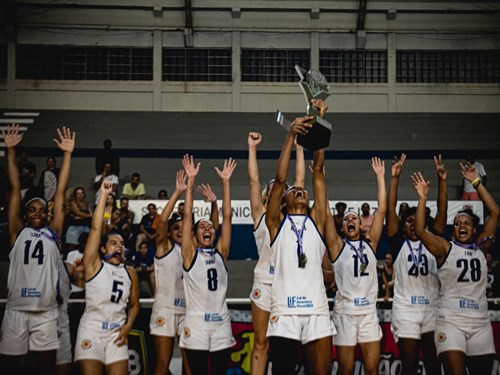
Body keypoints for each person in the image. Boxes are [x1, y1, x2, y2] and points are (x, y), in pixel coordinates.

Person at [0, 124, 75, 375]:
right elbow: (13, 189)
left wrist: (67, 155)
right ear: (24, 213)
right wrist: (11, 151)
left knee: (46, 370)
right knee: (8, 368)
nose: (37, 213)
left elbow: (62, 192)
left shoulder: (54, 233)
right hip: (16, 310)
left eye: (42, 210)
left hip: (46, 312)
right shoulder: (16, 232)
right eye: (32, 209)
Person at [412, 161, 499, 375]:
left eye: (467, 223)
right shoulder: (445, 248)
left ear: (474, 229)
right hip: (451, 320)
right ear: (453, 230)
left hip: (480, 322)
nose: (462, 226)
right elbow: (421, 232)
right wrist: (423, 199)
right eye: (458, 223)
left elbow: (495, 212)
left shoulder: (482, 245)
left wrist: (476, 183)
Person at [265, 112, 335, 375]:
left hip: (316, 307)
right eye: (294, 191)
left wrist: (317, 124)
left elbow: (317, 170)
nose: (299, 189)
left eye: (303, 190)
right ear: (284, 201)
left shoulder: (317, 220)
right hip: (284, 309)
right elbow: (280, 179)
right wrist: (291, 134)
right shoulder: (276, 224)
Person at [247, 130, 305, 375]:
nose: (275, 190)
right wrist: (252, 149)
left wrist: (300, 146)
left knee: (287, 345)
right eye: (271, 188)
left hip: (287, 282)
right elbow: (253, 180)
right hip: (264, 281)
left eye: (280, 188)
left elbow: (300, 181)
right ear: (266, 195)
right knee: (260, 342)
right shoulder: (260, 214)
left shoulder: (294, 216)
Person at [386, 153, 446, 375]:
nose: (413, 224)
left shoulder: (434, 241)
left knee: (433, 365)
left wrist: (441, 181)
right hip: (406, 309)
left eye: (416, 220)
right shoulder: (398, 242)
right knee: (409, 367)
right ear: (402, 227)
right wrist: (394, 179)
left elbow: (442, 212)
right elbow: (390, 210)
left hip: (432, 307)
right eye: (409, 221)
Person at [326, 157, 386, 375]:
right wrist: (319, 175)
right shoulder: (336, 246)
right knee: (346, 369)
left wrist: (380, 177)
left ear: (361, 225)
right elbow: (323, 211)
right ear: (342, 227)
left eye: (354, 218)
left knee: (372, 370)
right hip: (345, 312)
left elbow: (381, 210)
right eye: (346, 219)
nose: (350, 220)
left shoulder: (371, 243)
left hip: (369, 312)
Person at [74, 181, 140, 375]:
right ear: (103, 249)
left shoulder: (130, 272)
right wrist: (103, 195)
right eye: (113, 243)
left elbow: (135, 305)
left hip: (117, 334)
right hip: (91, 332)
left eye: (121, 243)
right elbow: (95, 229)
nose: (119, 246)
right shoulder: (94, 265)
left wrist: (128, 327)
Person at [180, 155, 237, 375]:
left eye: (210, 227)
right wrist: (191, 181)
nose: (208, 229)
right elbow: (187, 214)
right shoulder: (189, 255)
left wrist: (226, 183)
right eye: (202, 227)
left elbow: (228, 217)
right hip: (197, 325)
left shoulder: (221, 252)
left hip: (221, 323)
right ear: (194, 235)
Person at [151, 170, 192, 375]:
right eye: (175, 227)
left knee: (190, 365)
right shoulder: (164, 247)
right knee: (163, 364)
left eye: (183, 227)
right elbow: (162, 221)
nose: (179, 230)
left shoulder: (191, 250)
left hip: (187, 311)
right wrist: (177, 193)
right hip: (165, 310)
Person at [56, 258, 85, 375]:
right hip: (35, 322)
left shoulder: (67, 267)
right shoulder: (28, 264)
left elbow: (86, 284)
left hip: (60, 326)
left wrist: (84, 271)